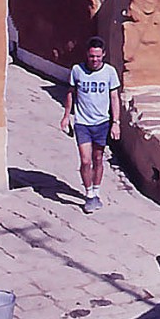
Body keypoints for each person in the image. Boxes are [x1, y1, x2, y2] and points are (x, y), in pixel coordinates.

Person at [60, 36, 121, 213]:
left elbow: (114, 97)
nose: (94, 60)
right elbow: (71, 93)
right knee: (86, 161)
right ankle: (89, 195)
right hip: (82, 123)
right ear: (87, 54)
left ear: (104, 55)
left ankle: (96, 191)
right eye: (92, 56)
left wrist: (115, 122)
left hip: (102, 123)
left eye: (98, 56)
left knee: (98, 159)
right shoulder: (77, 70)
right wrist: (66, 116)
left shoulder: (110, 72)